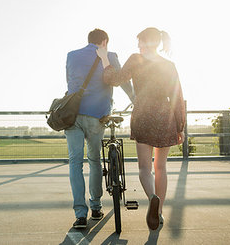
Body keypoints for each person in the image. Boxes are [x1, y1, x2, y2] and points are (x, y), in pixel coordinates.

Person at [96, 27, 185, 230]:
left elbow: (114, 79)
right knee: (160, 167)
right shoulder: (169, 65)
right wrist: (180, 127)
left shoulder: (136, 59)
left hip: (143, 115)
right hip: (165, 116)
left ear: (146, 42)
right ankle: (159, 212)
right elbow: (178, 97)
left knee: (144, 168)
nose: (138, 46)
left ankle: (152, 197)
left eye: (140, 42)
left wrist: (104, 59)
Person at [66, 28, 135, 229]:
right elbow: (123, 82)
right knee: (94, 160)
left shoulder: (71, 56)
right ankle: (95, 207)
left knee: (74, 162)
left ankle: (80, 215)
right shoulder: (110, 56)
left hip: (73, 115)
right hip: (97, 115)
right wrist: (134, 99)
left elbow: (70, 81)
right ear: (104, 42)